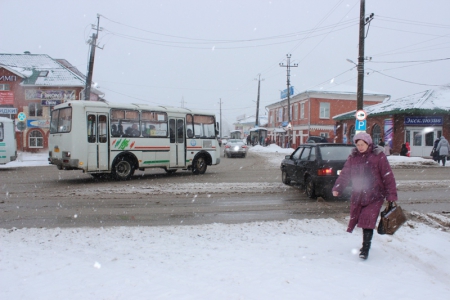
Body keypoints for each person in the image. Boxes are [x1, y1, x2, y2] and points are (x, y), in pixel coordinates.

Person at [332, 132, 398, 260]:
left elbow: (388, 176)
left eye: (362, 144)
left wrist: (391, 195)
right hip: (358, 194)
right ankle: (366, 244)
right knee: (362, 220)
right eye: (358, 145)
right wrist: (338, 188)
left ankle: (365, 248)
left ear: (368, 143)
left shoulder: (378, 156)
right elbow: (345, 174)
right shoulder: (353, 157)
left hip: (375, 195)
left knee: (368, 220)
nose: (360, 147)